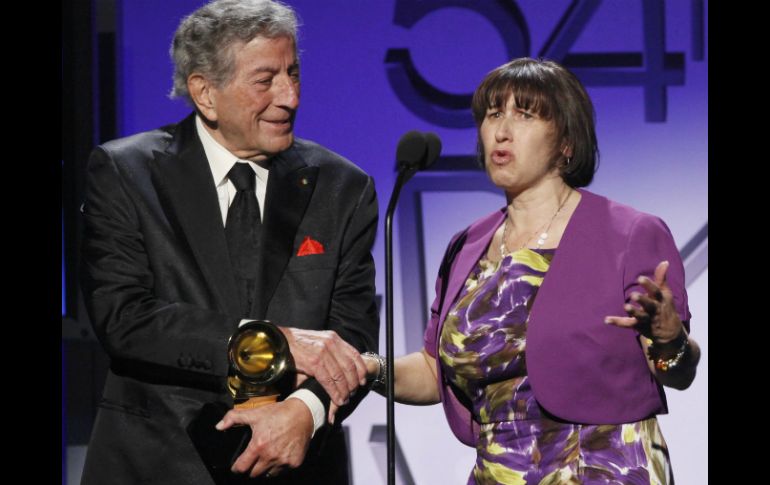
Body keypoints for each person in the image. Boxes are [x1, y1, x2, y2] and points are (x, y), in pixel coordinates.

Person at [361, 57, 701, 484]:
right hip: (500, 471)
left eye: (524, 115)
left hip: (606, 467)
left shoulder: (628, 233)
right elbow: (433, 373)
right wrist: (368, 369)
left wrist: (670, 339)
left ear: (566, 142)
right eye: (493, 114)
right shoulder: (466, 246)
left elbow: (678, 371)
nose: (502, 131)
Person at [79, 1, 379, 483]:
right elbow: (124, 316)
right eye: (266, 81)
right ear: (206, 93)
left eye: (293, 74)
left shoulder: (343, 187)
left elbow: (355, 337)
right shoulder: (126, 173)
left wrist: (303, 411)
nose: (290, 97)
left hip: (298, 464)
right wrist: (272, 343)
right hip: (157, 462)